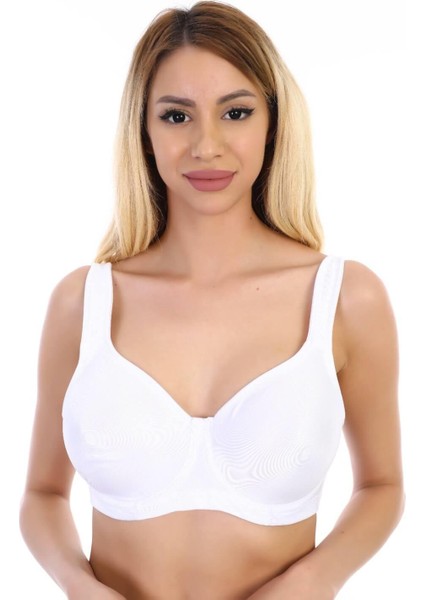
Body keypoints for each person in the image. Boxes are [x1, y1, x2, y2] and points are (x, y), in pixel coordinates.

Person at [19, 2, 404, 598]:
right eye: (177, 116)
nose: (207, 145)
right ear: (144, 131)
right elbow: (43, 494)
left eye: (236, 112)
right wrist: (78, 586)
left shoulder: (344, 298)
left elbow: (382, 486)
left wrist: (313, 581)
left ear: (272, 124)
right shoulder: (84, 303)